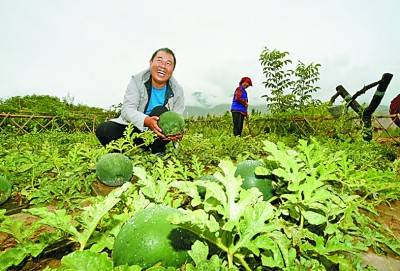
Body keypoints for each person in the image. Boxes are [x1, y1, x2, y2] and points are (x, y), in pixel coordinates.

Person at [95, 48, 185, 154]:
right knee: (104, 130)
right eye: (159, 60)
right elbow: (127, 110)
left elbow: (178, 118)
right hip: (134, 128)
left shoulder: (177, 90)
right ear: (151, 63)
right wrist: (146, 121)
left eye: (168, 63)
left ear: (172, 70)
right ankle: (124, 153)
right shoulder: (137, 81)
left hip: (157, 135)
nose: (163, 66)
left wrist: (177, 132)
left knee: (160, 111)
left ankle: (158, 151)